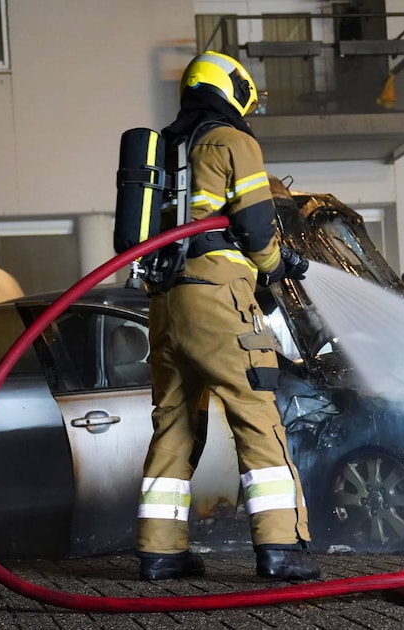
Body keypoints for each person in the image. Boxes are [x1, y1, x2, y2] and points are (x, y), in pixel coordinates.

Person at [135, 51, 319, 581]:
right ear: (230, 88)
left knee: (173, 425)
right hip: (217, 298)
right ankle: (281, 547)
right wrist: (279, 265)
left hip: (165, 303)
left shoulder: (164, 150)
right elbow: (257, 229)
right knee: (255, 414)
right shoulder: (233, 142)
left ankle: (160, 551)